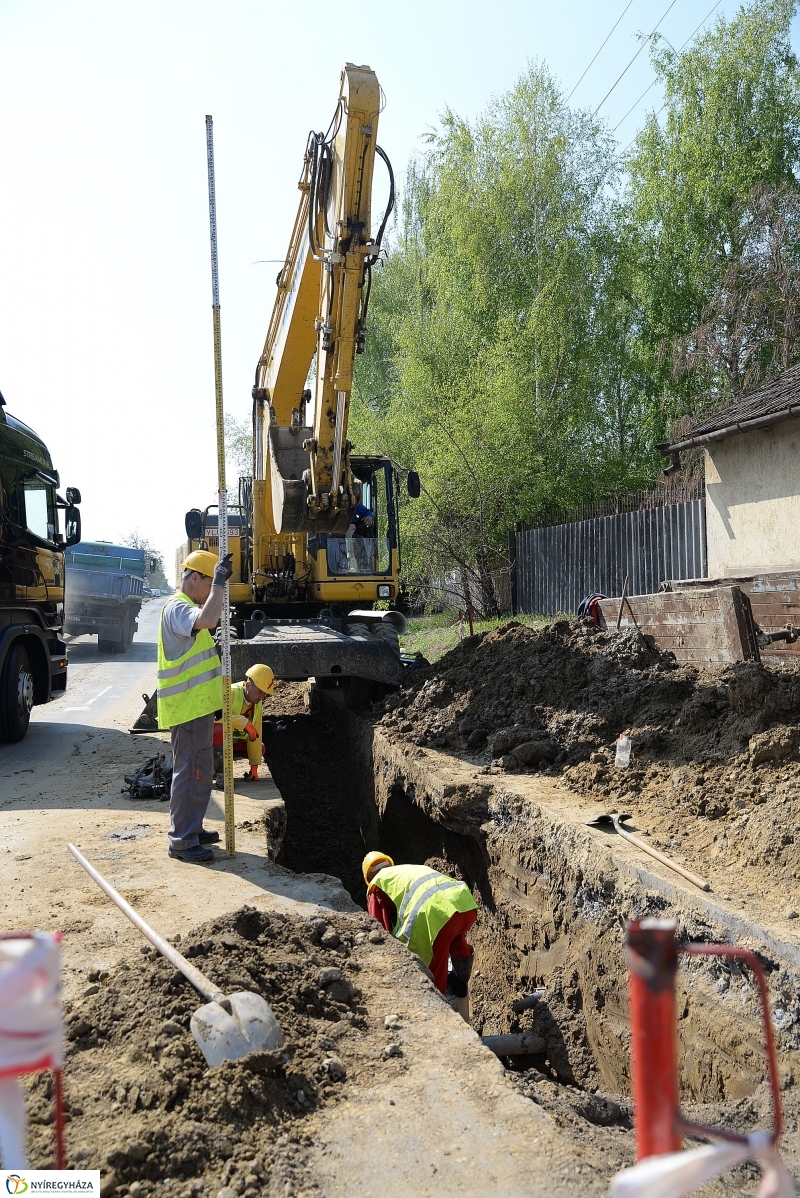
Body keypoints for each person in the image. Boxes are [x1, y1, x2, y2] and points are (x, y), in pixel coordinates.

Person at [157, 549, 232, 864]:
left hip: (196, 710)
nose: (210, 593)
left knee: (201, 772)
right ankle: (182, 842)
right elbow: (208, 619)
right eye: (208, 584)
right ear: (196, 578)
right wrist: (219, 585)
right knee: (190, 773)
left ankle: (192, 829)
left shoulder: (185, 608)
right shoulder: (177, 608)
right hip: (186, 712)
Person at [362, 852, 477, 1019]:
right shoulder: (406, 870)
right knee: (454, 936)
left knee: (433, 961)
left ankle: (436, 1011)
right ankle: (460, 981)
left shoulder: (376, 886)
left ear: (368, 877)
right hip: (465, 905)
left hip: (439, 917)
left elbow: (378, 930)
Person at [213, 663, 275, 781]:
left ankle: (222, 761)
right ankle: (218, 772)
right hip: (208, 743)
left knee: (259, 747)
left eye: (264, 694)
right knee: (219, 730)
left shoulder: (256, 703)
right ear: (247, 685)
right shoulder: (230, 693)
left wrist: (254, 767)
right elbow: (215, 718)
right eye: (259, 692)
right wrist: (243, 722)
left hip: (229, 743)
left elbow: (256, 734)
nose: (262, 697)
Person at [351, 501, 375, 571]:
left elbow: (366, 511)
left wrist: (369, 516)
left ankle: (363, 568)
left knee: (360, 540)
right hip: (331, 535)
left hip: (350, 532)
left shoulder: (353, 503)